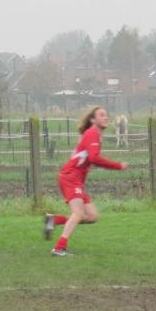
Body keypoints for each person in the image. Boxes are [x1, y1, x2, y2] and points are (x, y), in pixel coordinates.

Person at [45, 106, 129, 255]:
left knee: (92, 216)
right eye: (101, 115)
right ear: (93, 120)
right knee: (78, 213)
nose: (106, 117)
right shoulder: (92, 133)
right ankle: (59, 248)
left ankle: (54, 220)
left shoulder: (92, 134)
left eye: (106, 115)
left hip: (75, 179)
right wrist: (118, 166)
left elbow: (80, 155)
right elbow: (94, 158)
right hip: (70, 177)